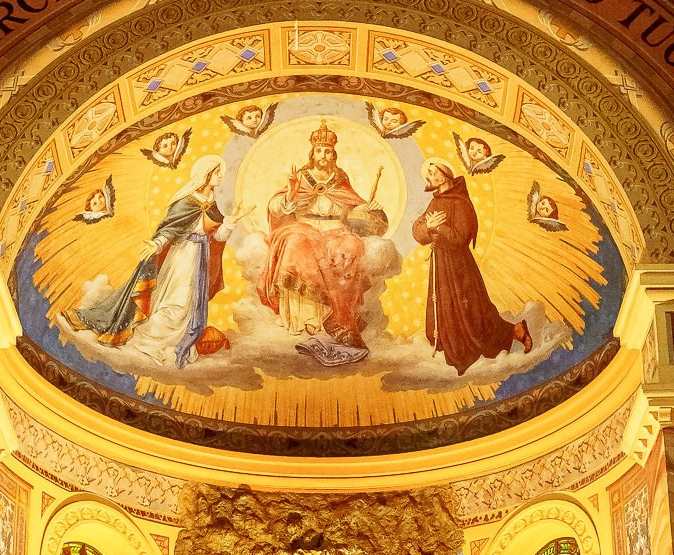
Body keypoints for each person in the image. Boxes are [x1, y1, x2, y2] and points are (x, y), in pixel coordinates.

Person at [88, 156, 227, 369]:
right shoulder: (187, 201)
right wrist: (157, 243)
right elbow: (170, 228)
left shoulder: (212, 204)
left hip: (199, 257)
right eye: (217, 172)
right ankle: (149, 343)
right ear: (206, 174)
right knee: (177, 302)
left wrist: (233, 220)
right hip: (182, 257)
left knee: (190, 305)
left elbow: (218, 237)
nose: (220, 176)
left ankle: (176, 346)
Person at [259, 123, 388, 349]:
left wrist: (368, 208)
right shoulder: (301, 177)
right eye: (319, 151)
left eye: (327, 151)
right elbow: (275, 206)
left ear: (333, 154)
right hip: (302, 226)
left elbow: (352, 204)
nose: (323, 155)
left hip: (335, 229)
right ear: (312, 153)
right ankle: (303, 319)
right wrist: (290, 194)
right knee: (297, 243)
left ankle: (335, 316)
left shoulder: (339, 178)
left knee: (352, 245)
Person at [412, 162, 532, 373]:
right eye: (427, 174)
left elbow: (460, 238)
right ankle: (457, 347)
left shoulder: (460, 203)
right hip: (441, 266)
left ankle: (515, 331)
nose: (428, 177)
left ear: (444, 176)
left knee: (472, 311)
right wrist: (428, 227)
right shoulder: (436, 203)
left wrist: (438, 227)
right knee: (448, 307)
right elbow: (418, 229)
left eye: (432, 172)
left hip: (459, 267)